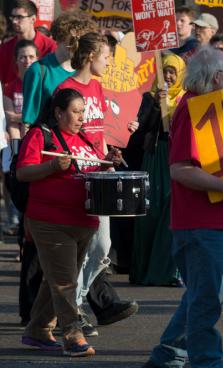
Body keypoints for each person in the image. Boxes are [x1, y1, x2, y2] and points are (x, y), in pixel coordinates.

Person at [144, 48, 223, 368]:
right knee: (206, 302)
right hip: (200, 223)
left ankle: (167, 356)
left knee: (200, 298)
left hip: (217, 220)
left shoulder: (211, 107)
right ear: (213, 77)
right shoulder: (193, 108)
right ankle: (207, 362)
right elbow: (180, 169)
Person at [18, 88, 122, 357]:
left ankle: (38, 330)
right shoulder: (41, 135)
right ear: (58, 112)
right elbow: (23, 172)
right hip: (51, 221)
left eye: (83, 112)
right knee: (65, 282)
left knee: (57, 280)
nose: (81, 117)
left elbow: (87, 170)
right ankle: (72, 335)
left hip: (83, 221)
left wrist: (106, 163)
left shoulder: (85, 139)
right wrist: (52, 167)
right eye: (75, 112)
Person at [55, 32, 138, 337]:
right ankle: (74, 310)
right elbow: (62, 130)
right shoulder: (66, 88)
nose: (109, 62)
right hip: (78, 175)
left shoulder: (98, 87)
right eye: (105, 56)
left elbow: (98, 131)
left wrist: (110, 153)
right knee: (81, 246)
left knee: (103, 245)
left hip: (99, 172)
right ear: (91, 57)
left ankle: (76, 302)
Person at [129, 53, 186, 286]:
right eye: (166, 71)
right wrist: (156, 105)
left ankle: (169, 272)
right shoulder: (148, 98)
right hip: (156, 157)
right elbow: (142, 128)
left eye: (173, 71)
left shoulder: (186, 98)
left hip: (176, 158)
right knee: (150, 213)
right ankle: (144, 271)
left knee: (170, 213)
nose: (170, 76)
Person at [2, 40, 38, 234]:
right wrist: (26, 116)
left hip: (33, 141)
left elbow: (25, 116)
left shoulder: (40, 84)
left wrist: (21, 117)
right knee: (13, 182)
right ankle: (15, 222)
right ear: (16, 60)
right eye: (23, 57)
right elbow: (9, 115)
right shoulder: (9, 86)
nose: (27, 61)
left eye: (31, 56)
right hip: (14, 141)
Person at [0, 0, 56, 86]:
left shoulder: (50, 46)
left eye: (19, 17)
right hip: (11, 98)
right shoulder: (5, 48)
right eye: (13, 17)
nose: (14, 21)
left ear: (33, 19)